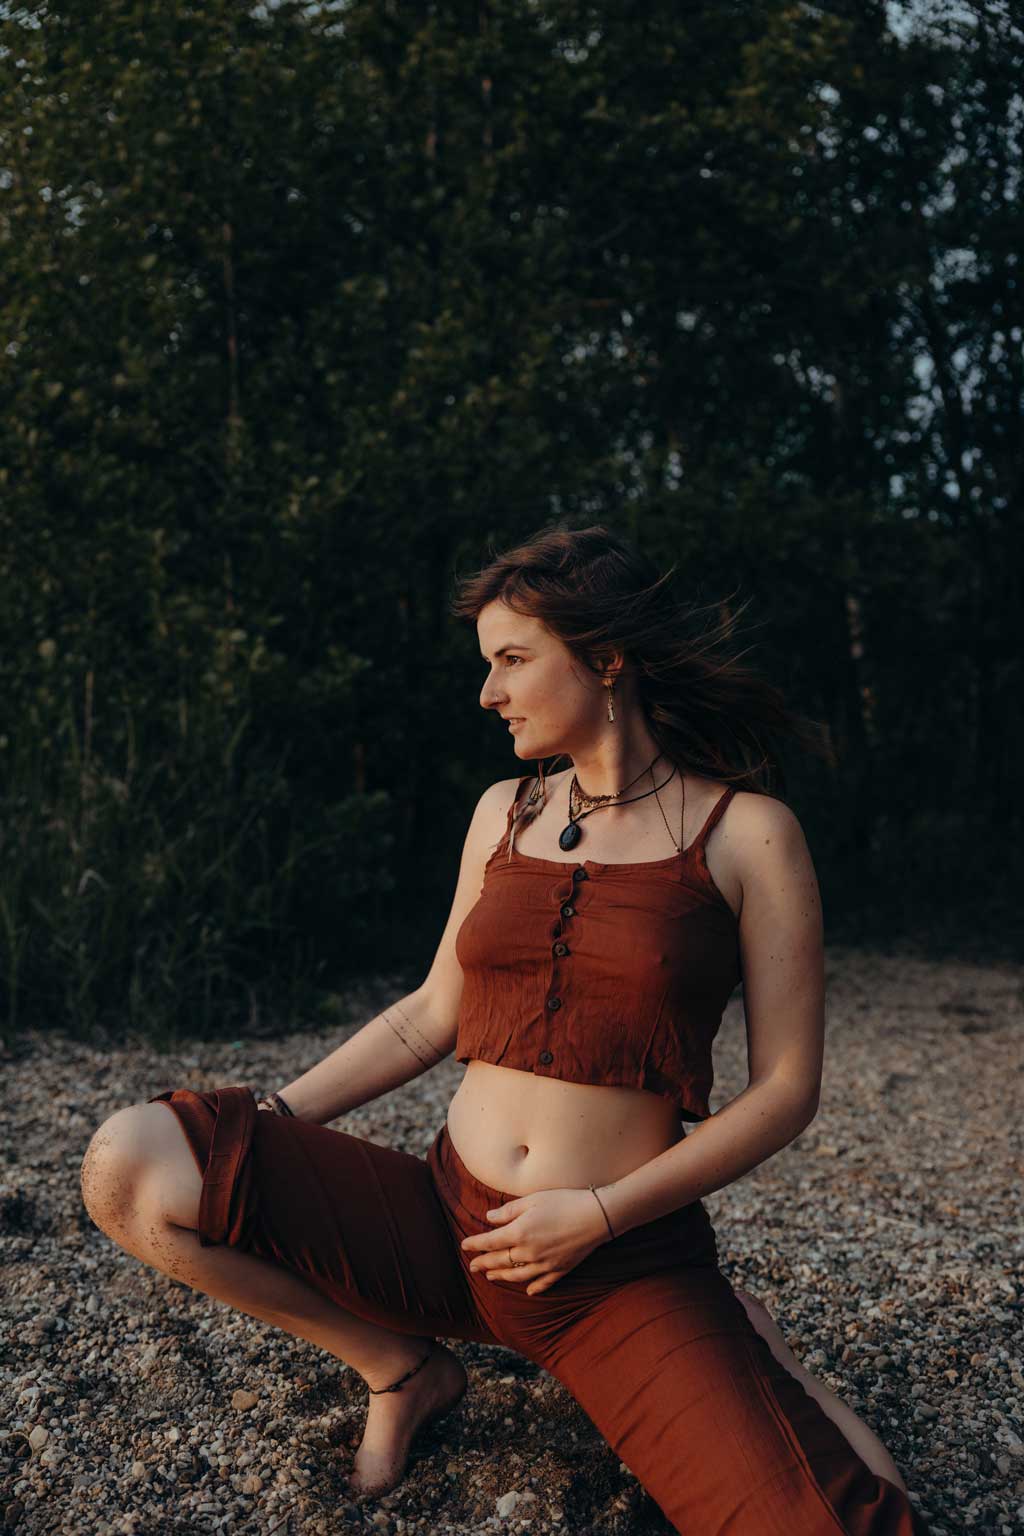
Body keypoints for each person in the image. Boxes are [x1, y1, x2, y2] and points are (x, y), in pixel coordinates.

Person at [81, 524, 932, 1532]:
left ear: (606, 660)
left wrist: (603, 1214)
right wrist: (268, 1118)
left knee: (844, 1522)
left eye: (512, 660)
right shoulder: (502, 813)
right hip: (446, 1224)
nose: (490, 692)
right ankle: (400, 1368)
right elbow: (431, 1016)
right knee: (131, 1162)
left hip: (615, 1273)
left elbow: (787, 1089)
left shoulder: (748, 835)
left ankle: (746, 1342)